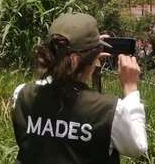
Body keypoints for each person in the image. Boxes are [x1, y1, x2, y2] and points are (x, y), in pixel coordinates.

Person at [11, 13, 148, 164]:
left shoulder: (22, 94)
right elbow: (137, 147)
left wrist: (86, 55)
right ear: (93, 59)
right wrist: (130, 88)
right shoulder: (110, 111)